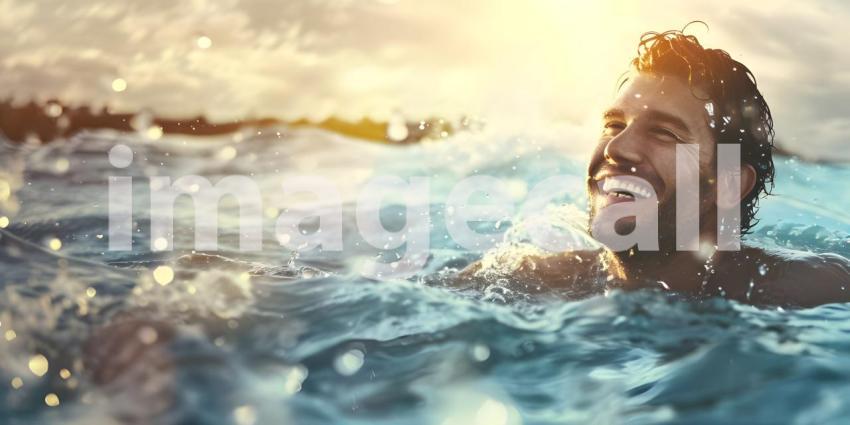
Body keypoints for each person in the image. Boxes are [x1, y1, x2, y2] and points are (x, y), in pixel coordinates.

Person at [460, 28, 850, 308]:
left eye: (664, 132)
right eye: (614, 125)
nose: (617, 148)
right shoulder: (529, 279)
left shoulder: (813, 289)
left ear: (728, 183)